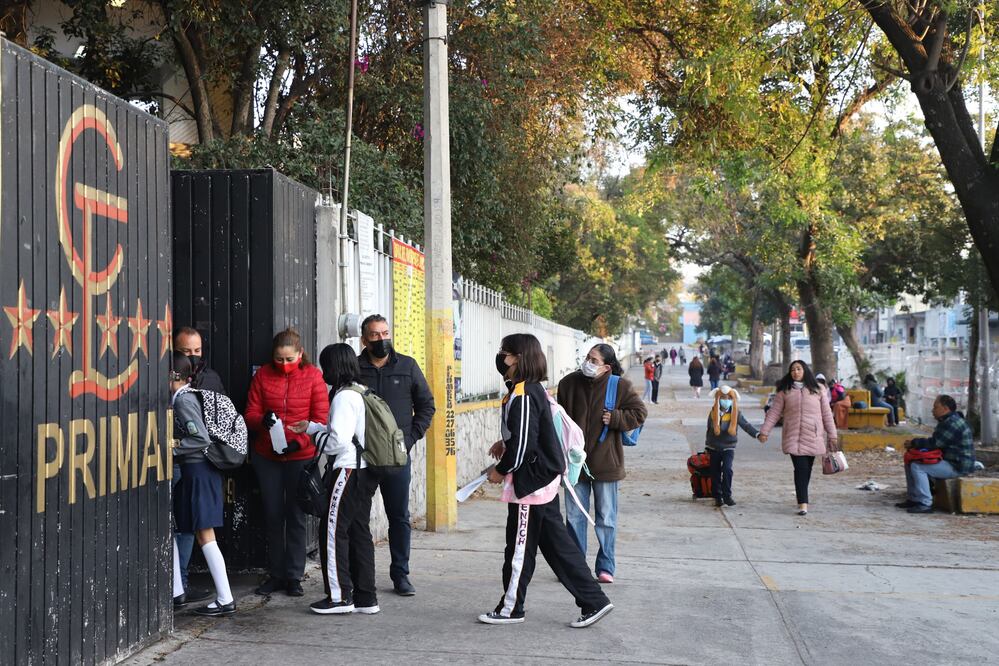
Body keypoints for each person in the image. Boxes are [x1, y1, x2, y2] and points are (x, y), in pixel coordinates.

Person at [480, 334, 614, 628]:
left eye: (505, 352)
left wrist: (501, 469)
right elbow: (527, 434)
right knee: (557, 547)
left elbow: (525, 445)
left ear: (516, 358)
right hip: (540, 480)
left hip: (531, 484)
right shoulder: (522, 390)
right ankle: (595, 601)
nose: (501, 357)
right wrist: (505, 444)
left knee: (518, 549)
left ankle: (511, 609)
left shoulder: (525, 393)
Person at [292, 344, 381, 614]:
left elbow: (337, 442)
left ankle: (339, 597)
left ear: (334, 366)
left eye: (325, 365)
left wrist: (315, 436)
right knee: (359, 532)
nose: (322, 371)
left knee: (331, 532)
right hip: (365, 470)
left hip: (347, 470)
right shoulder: (361, 391)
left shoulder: (343, 397)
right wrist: (312, 427)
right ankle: (366, 598)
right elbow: (348, 433)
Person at [244, 329, 329, 597]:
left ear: (300, 354)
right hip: (267, 454)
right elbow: (250, 413)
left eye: (289, 359)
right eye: (279, 359)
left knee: (295, 515)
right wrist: (262, 421)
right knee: (272, 514)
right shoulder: (263, 375)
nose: (284, 364)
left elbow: (321, 419)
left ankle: (294, 575)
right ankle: (276, 573)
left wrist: (300, 442)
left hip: (299, 455)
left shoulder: (313, 376)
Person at [357, 314, 435, 596]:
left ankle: (401, 574)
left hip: (397, 457)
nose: (381, 339)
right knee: (358, 518)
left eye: (385, 333)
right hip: (362, 457)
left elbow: (426, 406)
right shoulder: (355, 368)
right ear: (364, 339)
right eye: (375, 335)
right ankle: (360, 576)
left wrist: (410, 439)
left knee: (399, 517)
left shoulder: (407, 366)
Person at [557, 343, 647, 583]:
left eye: (594, 360)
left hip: (607, 463)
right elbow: (559, 421)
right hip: (574, 465)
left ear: (606, 367)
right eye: (587, 357)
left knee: (606, 518)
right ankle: (576, 567)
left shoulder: (619, 386)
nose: (588, 363)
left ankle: (606, 566)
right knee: (574, 517)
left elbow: (639, 413)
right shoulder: (568, 384)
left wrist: (616, 417)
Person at [170, 353, 235, 616]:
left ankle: (225, 598)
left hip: (198, 471)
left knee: (205, 535)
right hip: (197, 472)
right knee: (190, 531)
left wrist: (172, 448)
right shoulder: (187, 396)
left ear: (174, 376)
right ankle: (177, 590)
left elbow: (200, 439)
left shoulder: (184, 400)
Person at [758, 360, 838, 516]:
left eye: (798, 369)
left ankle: (802, 496)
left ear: (805, 371)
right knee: (800, 469)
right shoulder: (784, 391)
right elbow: (774, 412)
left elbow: (827, 414)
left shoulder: (818, 389)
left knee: (806, 470)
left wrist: (832, 435)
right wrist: (764, 431)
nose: (795, 372)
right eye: (793, 369)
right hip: (793, 436)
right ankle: (803, 503)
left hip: (813, 435)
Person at [897, 395, 975, 514]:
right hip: (949, 461)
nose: (932, 410)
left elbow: (935, 443)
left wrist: (915, 443)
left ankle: (925, 503)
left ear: (945, 408)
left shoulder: (953, 423)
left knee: (917, 466)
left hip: (957, 466)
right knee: (911, 460)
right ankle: (914, 498)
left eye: (935, 407)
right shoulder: (948, 420)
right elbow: (937, 442)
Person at [704, 386, 759, 507]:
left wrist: (757, 434)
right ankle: (718, 497)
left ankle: (727, 495)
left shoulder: (736, 413)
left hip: (729, 447)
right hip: (714, 447)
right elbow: (709, 429)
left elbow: (746, 425)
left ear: (733, 399)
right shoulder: (713, 412)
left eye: (729, 398)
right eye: (723, 398)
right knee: (715, 472)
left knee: (727, 470)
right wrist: (707, 446)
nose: (726, 400)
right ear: (718, 399)